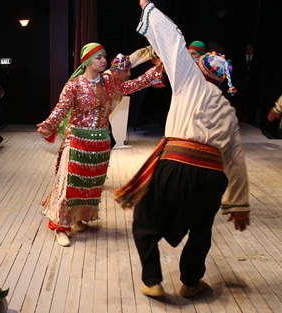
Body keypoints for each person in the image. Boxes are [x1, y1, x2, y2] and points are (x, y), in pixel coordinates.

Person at [114, 0, 251, 298]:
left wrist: (149, 8)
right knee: (200, 232)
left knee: (146, 221)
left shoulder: (190, 81)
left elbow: (173, 41)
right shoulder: (228, 111)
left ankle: (152, 280)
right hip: (213, 178)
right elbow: (235, 157)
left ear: (199, 70)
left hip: (176, 165)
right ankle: (190, 282)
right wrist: (239, 204)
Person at [36, 42, 164, 247]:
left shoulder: (108, 81)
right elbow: (62, 108)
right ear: (87, 61)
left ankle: (77, 218)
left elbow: (130, 86)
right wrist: (49, 125)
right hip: (77, 140)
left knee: (91, 186)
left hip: (100, 143)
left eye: (105, 56)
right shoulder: (75, 85)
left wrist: (155, 71)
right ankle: (61, 226)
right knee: (69, 185)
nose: (104, 60)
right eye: (99, 57)